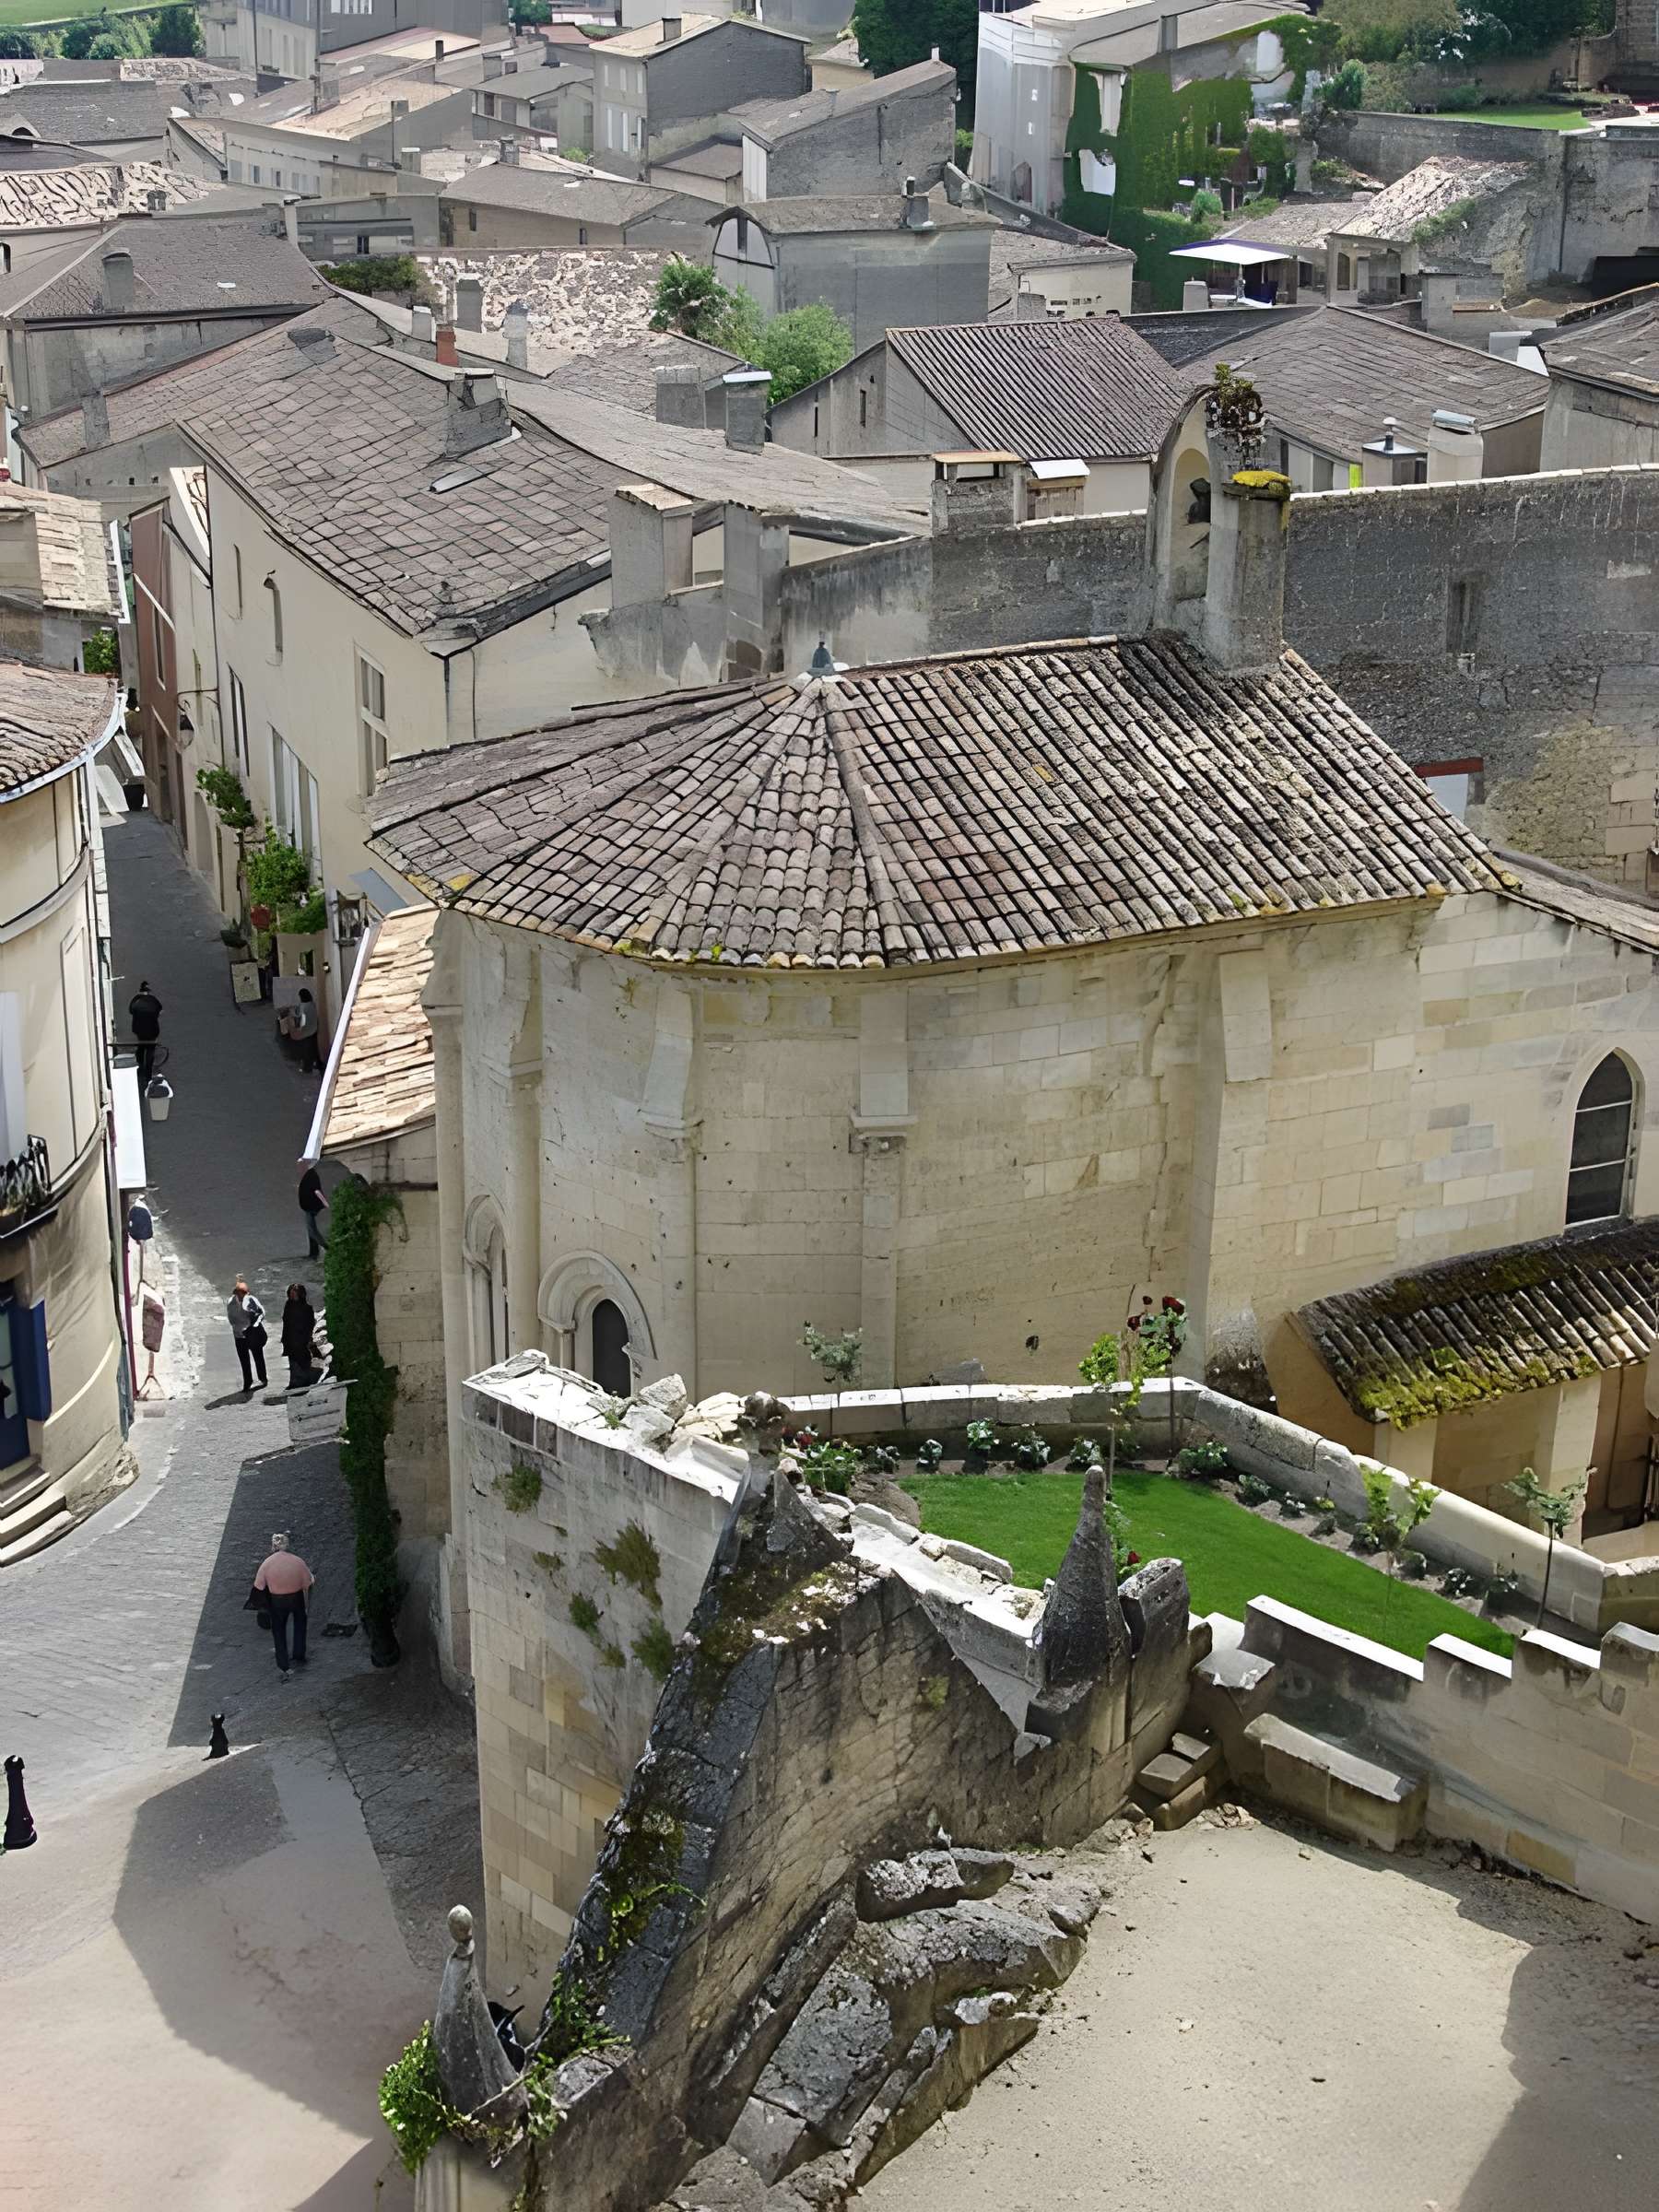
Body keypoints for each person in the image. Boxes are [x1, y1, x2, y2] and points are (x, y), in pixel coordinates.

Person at [253, 1535, 314, 1678]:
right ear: (287, 1545)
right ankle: (299, 1654)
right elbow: (307, 1583)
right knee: (300, 1623)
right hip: (296, 1597)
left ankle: (283, 1663)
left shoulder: (267, 1563)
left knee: (278, 1630)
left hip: (277, 1600)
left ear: (273, 1546)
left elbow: (259, 1585)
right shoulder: (297, 1561)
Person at [227, 1277, 267, 1393]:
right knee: (244, 1360)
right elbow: (231, 1319)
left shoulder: (251, 1300)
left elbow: (261, 1313)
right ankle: (247, 1382)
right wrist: (238, 1327)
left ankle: (263, 1378)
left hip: (251, 1332)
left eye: (244, 1293)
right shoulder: (231, 1303)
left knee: (258, 1356)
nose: (242, 1295)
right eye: (240, 1293)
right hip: (239, 1334)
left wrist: (255, 1324)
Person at [280, 1282, 319, 1389]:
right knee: (293, 1360)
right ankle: (295, 1381)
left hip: (302, 1338)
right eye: (291, 1294)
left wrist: (307, 1337)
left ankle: (305, 1380)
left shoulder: (307, 1308)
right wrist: (284, 1339)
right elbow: (286, 1322)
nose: (292, 1296)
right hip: (291, 1338)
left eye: (294, 1293)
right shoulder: (288, 1306)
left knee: (303, 1359)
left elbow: (310, 1324)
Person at [128, 979, 162, 1086]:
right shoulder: (153, 1000)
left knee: (141, 1048)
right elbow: (160, 1010)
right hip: (152, 1030)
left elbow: (131, 1010)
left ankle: (139, 1069)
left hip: (139, 1030)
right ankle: (148, 1075)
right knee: (150, 1051)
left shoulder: (136, 1000)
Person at [279, 987, 322, 1073]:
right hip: (314, 1029)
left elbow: (299, 1017)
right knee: (313, 1049)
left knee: (306, 1051)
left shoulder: (302, 1006)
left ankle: (306, 1068)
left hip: (305, 1031)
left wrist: (291, 1012)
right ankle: (316, 1064)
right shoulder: (312, 1004)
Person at [297, 1159, 328, 1258]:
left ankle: (328, 1248)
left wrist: (324, 1202)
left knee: (312, 1230)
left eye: (300, 1165)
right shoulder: (307, 1175)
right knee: (310, 1229)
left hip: (311, 1206)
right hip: (308, 1206)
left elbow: (317, 1191)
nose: (298, 1168)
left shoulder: (311, 1175)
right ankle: (313, 1253)